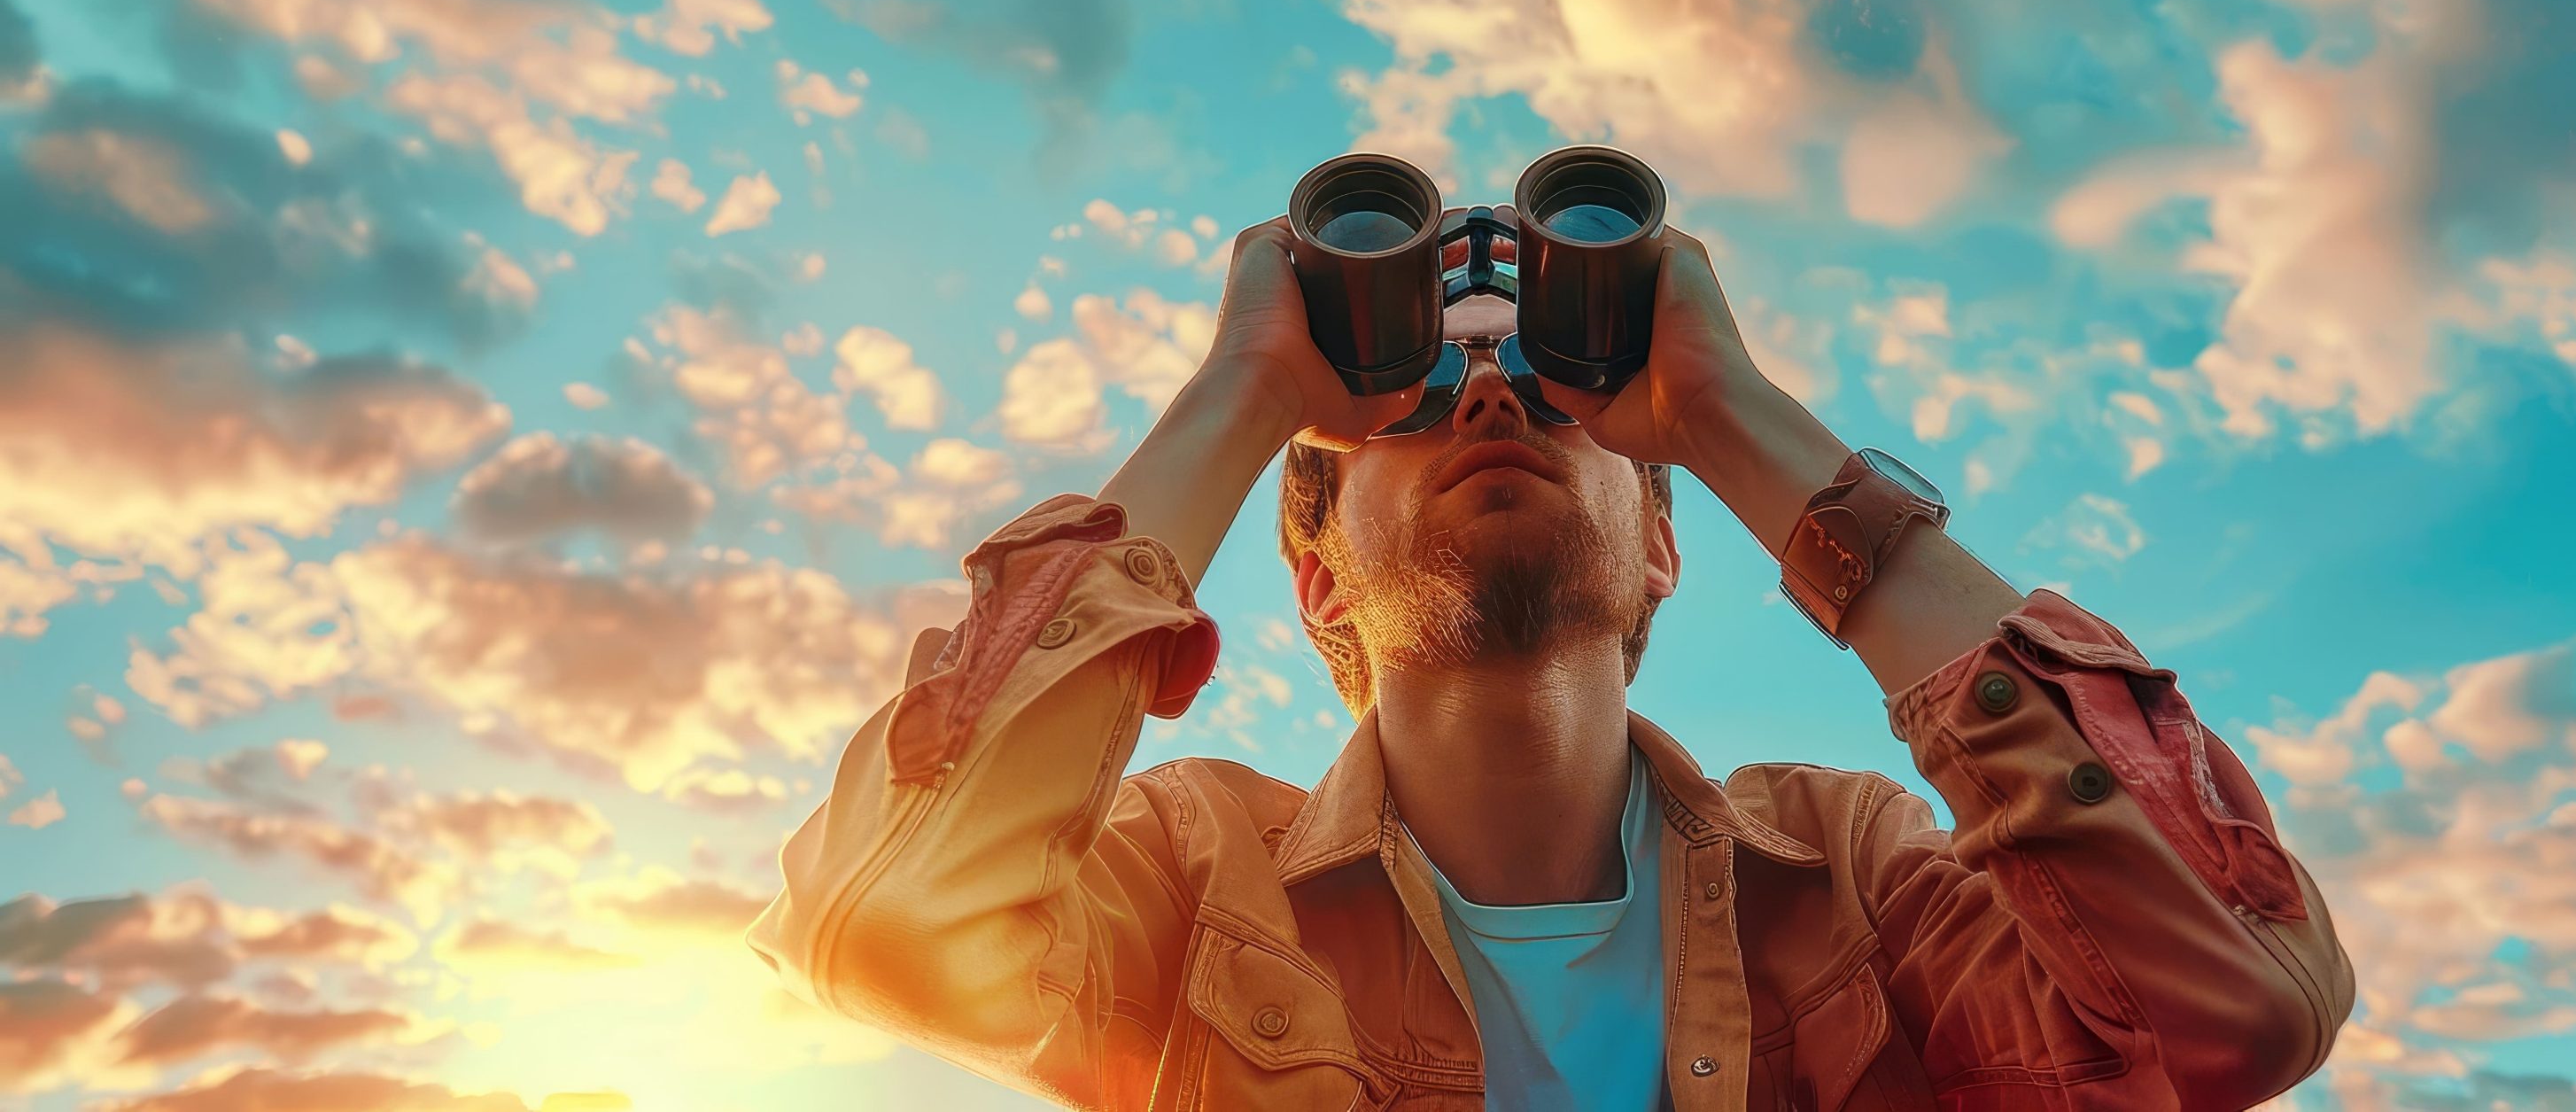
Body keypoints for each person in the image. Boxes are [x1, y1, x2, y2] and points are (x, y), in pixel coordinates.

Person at [749, 216, 2355, 1111]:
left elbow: (2238, 1008)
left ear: (1662, 545)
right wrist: (1239, 392)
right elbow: (883, 921)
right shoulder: (1197, 867)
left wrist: (1729, 414)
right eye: (1412, 402)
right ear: (1316, 576)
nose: (1492, 398)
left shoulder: (1848, 868)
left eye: (1551, 387)